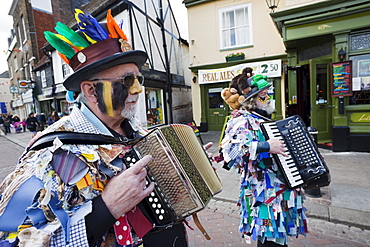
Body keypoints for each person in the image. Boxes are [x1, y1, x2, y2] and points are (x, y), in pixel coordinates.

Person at [0, 9, 189, 247]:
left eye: (138, 80)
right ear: (90, 91)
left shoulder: (140, 133)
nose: (138, 90)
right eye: (127, 81)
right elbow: (18, 241)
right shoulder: (51, 152)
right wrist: (106, 208)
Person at [216, 75, 308, 246]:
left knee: (277, 238)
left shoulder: (265, 120)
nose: (268, 96)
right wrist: (265, 146)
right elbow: (228, 154)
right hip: (262, 192)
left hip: (281, 189)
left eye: (268, 93)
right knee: (267, 236)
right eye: (263, 95)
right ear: (251, 100)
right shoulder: (242, 119)